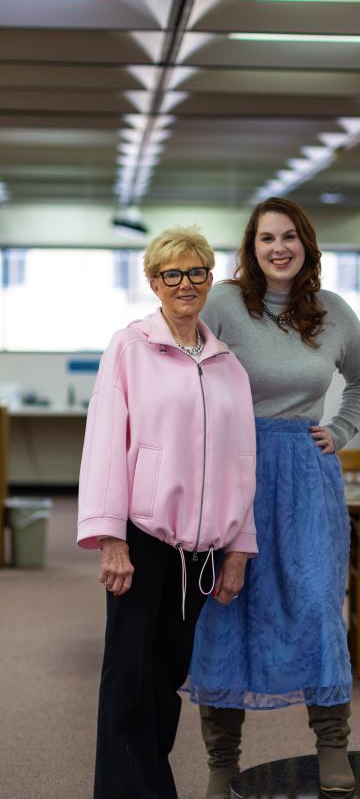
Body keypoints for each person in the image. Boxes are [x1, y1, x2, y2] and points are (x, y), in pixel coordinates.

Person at [186, 198, 360, 798]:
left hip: (304, 470)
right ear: (251, 246)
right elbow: (185, 374)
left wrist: (340, 431)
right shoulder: (221, 305)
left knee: (316, 604)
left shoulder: (334, 312)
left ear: (306, 244)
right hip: (232, 467)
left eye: (289, 236)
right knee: (226, 606)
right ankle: (221, 761)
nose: (278, 248)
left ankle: (332, 744)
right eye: (266, 238)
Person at [77, 226, 257, 799]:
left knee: (166, 679)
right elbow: (106, 443)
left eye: (197, 272)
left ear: (210, 279)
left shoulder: (228, 364)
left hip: (202, 552)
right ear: (154, 283)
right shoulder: (130, 347)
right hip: (143, 537)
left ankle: (149, 783)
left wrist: (239, 548)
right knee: (127, 679)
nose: (186, 283)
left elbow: (240, 463)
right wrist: (111, 540)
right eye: (172, 274)